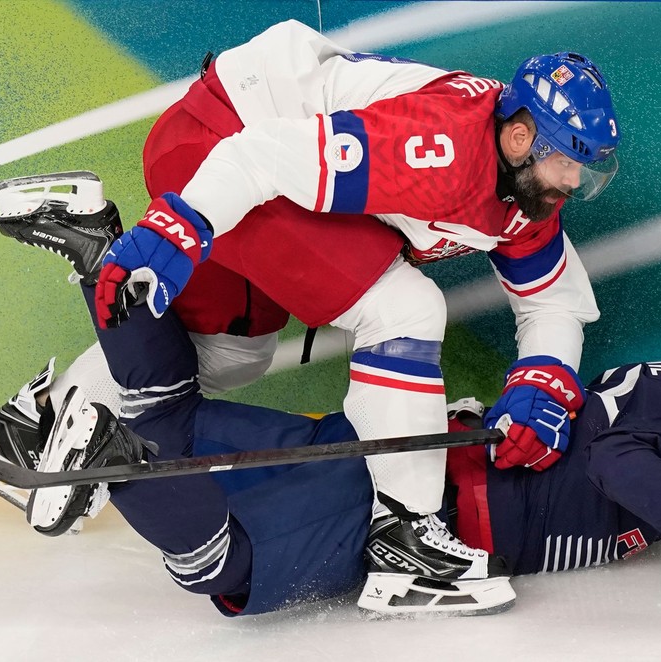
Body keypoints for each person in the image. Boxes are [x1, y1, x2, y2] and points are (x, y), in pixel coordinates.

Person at [0, 198, 661, 616]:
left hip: (397, 454)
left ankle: (100, 250)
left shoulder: (659, 413)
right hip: (403, 509)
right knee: (228, 571)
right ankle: (111, 460)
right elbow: (621, 466)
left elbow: (632, 469)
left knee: (171, 418)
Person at [71, 19, 621, 598]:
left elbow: (552, 302)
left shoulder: (526, 191)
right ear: (520, 137)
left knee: (234, 351)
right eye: (566, 161)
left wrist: (543, 378)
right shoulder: (440, 148)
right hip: (220, 148)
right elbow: (261, 157)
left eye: (583, 169)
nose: (573, 180)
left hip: (229, 143)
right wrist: (184, 221)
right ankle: (406, 536)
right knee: (405, 308)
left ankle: (50, 419)